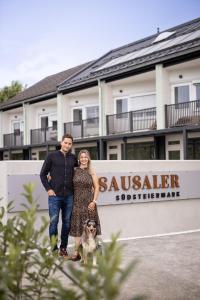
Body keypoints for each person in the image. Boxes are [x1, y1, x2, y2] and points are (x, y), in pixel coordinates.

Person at [40, 133, 78, 258]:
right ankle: (53, 248)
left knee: (67, 223)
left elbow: (80, 170)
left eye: (70, 143)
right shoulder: (52, 156)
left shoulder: (73, 158)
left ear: (71, 145)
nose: (67, 145)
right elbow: (43, 174)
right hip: (54, 196)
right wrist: (48, 189)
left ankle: (63, 248)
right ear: (61, 142)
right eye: (65, 142)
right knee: (54, 222)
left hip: (69, 196)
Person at [69, 149, 101, 261]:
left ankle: (91, 251)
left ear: (88, 158)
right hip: (77, 202)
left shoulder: (91, 171)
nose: (83, 159)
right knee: (78, 227)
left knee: (90, 228)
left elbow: (97, 187)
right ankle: (77, 251)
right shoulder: (74, 170)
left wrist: (94, 201)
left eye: (85, 157)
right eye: (81, 157)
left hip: (89, 204)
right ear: (79, 159)